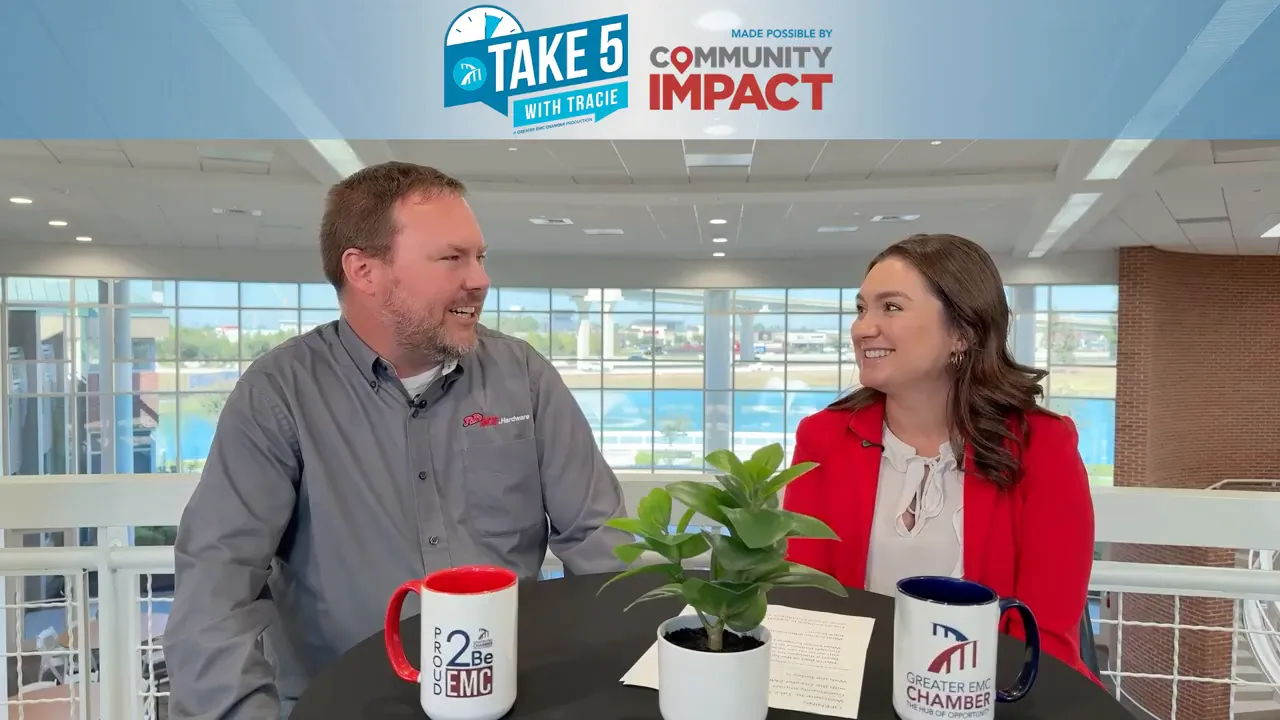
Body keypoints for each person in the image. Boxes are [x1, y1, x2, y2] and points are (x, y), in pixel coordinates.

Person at [163, 162, 633, 719]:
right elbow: (217, 587)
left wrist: (617, 685)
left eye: (480, 257)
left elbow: (600, 539)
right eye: (451, 258)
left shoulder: (523, 377)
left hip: (508, 697)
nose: (479, 279)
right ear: (364, 270)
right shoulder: (278, 395)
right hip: (343, 706)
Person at [782, 233, 1098, 681]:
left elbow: (1044, 640)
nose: (863, 328)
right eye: (861, 308)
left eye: (891, 307)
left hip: (995, 694)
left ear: (962, 332)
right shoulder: (823, 438)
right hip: (854, 688)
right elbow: (805, 607)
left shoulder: (1042, 445)